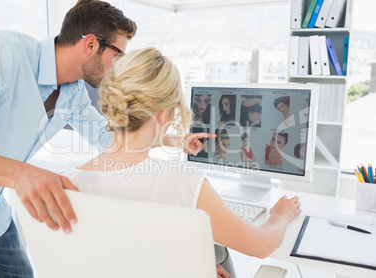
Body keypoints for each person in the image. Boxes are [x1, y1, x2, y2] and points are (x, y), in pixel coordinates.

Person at [0, 1, 209, 277]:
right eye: (118, 55)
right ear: (90, 45)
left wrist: (172, 141)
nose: (119, 69)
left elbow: (107, 138)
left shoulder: (73, 93)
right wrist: (22, 174)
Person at [64, 48, 301, 277]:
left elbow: (122, 253)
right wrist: (280, 215)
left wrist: (194, 264)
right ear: (162, 113)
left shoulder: (69, 181)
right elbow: (259, 246)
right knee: (220, 251)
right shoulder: (180, 179)